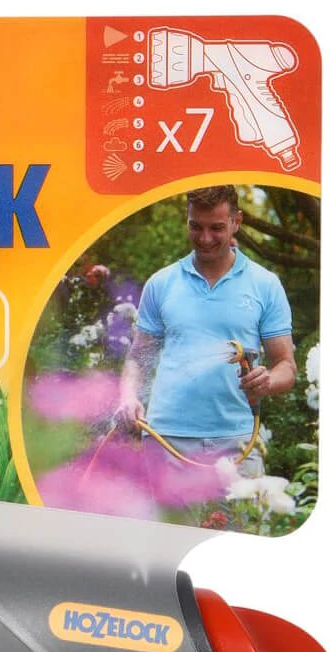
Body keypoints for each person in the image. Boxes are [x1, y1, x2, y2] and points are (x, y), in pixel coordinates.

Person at [116, 186, 296, 477]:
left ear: (236, 221)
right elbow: (138, 357)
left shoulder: (265, 284)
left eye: (216, 228)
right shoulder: (161, 283)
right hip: (166, 441)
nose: (205, 238)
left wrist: (268, 381)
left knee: (245, 511)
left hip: (238, 442)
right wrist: (128, 397)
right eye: (196, 226)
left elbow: (286, 366)